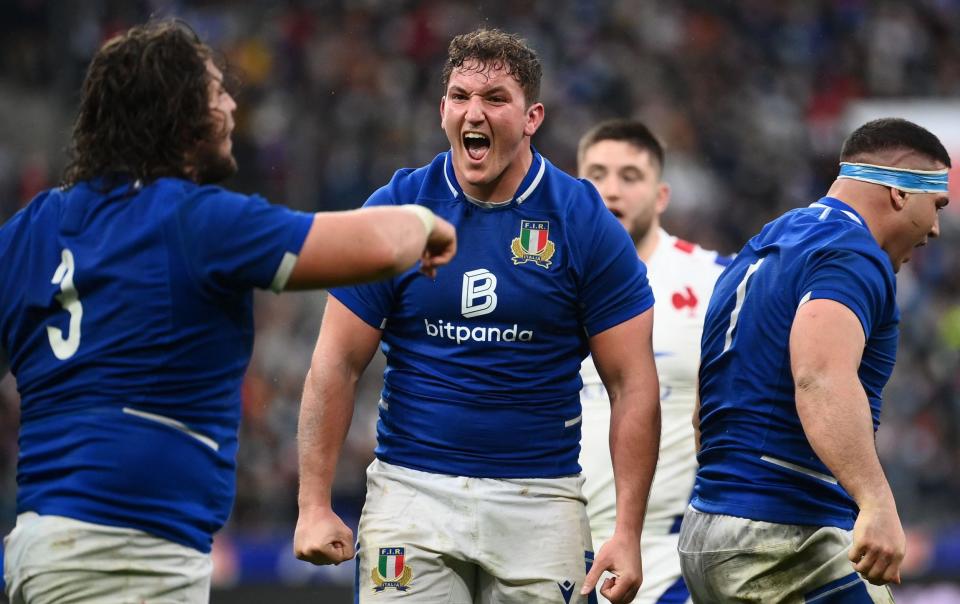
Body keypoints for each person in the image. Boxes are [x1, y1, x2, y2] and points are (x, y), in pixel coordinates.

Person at [0, 20, 456, 604]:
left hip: (41, 545)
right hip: (128, 554)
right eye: (218, 92)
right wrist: (428, 223)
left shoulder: (28, 228)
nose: (233, 105)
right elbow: (372, 245)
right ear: (182, 115)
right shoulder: (194, 220)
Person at [294, 29, 661, 604]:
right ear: (443, 109)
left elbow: (632, 383)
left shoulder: (584, 222)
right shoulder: (396, 210)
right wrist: (314, 504)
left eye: (494, 98)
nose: (475, 112)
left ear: (532, 115)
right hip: (411, 495)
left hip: (540, 501)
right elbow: (336, 363)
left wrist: (628, 532)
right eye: (461, 96)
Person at [678, 117, 950, 602]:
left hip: (709, 527)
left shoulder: (762, 247)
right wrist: (876, 500)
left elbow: (705, 405)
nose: (934, 227)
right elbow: (820, 376)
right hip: (786, 533)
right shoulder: (850, 252)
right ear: (899, 193)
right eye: (937, 205)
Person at [576, 119, 728, 604]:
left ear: (661, 195)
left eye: (630, 176)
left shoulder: (713, 281)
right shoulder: (540, 281)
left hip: (668, 553)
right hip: (548, 536)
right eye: (597, 174)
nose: (612, 190)